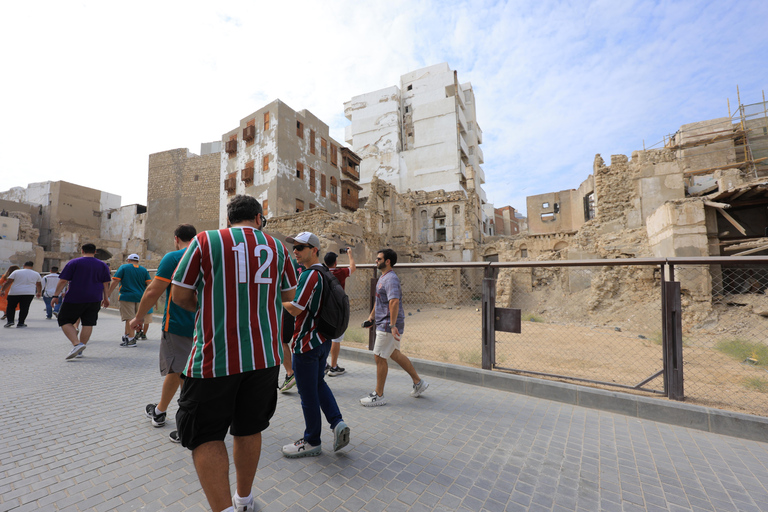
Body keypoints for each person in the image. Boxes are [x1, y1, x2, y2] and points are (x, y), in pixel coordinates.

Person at [171, 195, 297, 512]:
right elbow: (289, 296)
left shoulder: (205, 240)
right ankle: (244, 499)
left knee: (205, 435)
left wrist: (206, 307)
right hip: (264, 357)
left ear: (230, 219)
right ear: (258, 218)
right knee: (249, 427)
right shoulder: (279, 248)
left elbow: (179, 294)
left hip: (214, 357)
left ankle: (225, 509)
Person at [281, 232, 350, 459]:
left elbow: (296, 308)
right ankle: (337, 423)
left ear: (314, 250)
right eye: (295, 248)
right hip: (323, 341)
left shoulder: (310, 275)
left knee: (307, 394)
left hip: (307, 344)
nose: (296, 252)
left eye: (301, 247)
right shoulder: (325, 272)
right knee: (318, 383)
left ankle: (312, 440)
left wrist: (274, 299)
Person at [129, 224, 197, 443]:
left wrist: (138, 317)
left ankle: (190, 423)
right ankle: (160, 410)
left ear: (176, 239)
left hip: (178, 325)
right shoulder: (207, 256)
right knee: (178, 370)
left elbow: (153, 291)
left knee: (182, 373)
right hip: (205, 325)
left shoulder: (174, 257)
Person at [360, 248, 429, 406]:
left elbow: (394, 301)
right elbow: (380, 300)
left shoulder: (391, 279)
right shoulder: (383, 277)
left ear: (387, 261)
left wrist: (391, 325)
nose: (376, 261)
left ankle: (379, 395)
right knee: (394, 354)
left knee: (379, 356)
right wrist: (371, 317)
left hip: (388, 324)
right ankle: (419, 383)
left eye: (378, 259)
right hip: (384, 322)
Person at [51, 243, 112, 359]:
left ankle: (76, 344)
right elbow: (106, 283)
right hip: (95, 298)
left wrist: (55, 295)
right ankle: (80, 350)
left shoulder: (74, 263)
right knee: (88, 323)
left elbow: (63, 280)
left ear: (82, 251)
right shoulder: (102, 265)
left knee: (64, 319)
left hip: (75, 297)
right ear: (95, 252)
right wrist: (106, 298)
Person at [322, 248, 356, 376]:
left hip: (325, 309)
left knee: (325, 336)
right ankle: (334, 367)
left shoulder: (322, 273)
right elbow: (352, 267)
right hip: (337, 310)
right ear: (335, 262)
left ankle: (324, 364)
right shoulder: (340, 272)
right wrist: (350, 254)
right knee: (336, 339)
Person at [108, 253, 151, 347]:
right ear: (138, 261)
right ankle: (127, 336)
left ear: (128, 260)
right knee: (135, 318)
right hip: (140, 297)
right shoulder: (143, 270)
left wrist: (108, 293)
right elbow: (149, 284)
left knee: (129, 318)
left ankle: (131, 339)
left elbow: (115, 280)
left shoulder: (124, 267)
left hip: (126, 296)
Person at [0, 261, 42, 328]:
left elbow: (9, 281)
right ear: (32, 266)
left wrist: (3, 290)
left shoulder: (16, 272)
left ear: (23, 265)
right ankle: (21, 323)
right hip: (29, 293)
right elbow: (38, 284)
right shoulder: (36, 274)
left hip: (15, 292)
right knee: (24, 308)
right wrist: (39, 292)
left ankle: (10, 321)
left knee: (11, 307)